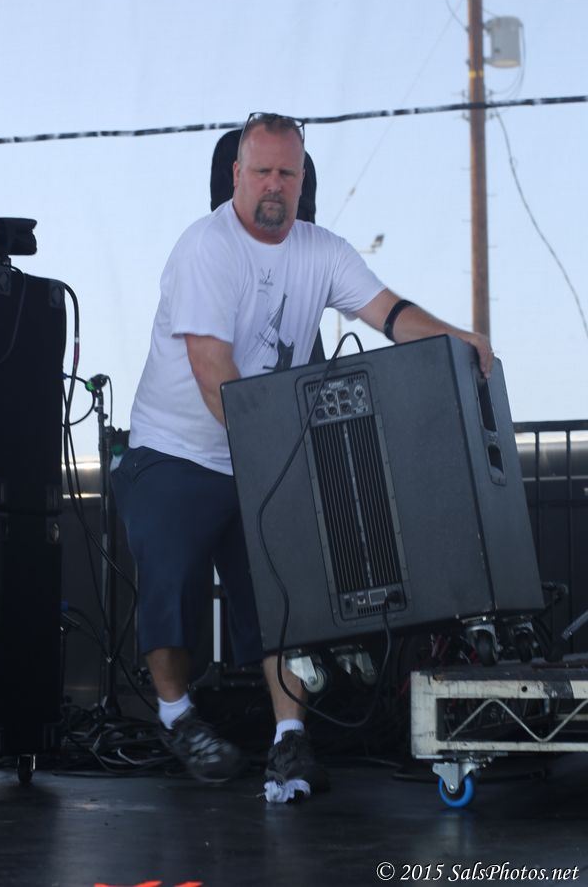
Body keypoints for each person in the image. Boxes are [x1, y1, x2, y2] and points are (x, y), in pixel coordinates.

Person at [112, 111, 493, 802]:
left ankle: (290, 739)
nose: (274, 185)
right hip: (175, 451)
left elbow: (390, 314)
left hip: (259, 460)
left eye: (287, 173)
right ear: (237, 174)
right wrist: (268, 461)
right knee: (172, 575)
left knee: (281, 598)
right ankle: (175, 714)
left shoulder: (323, 252)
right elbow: (212, 373)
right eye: (261, 171)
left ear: (302, 179)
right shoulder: (207, 248)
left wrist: (455, 338)